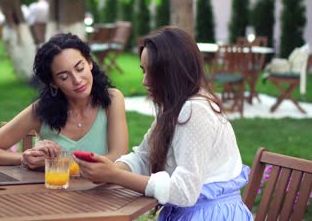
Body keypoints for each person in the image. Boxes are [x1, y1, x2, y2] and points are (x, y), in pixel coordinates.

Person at [76, 26, 253, 220]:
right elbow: (143, 156)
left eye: (153, 73)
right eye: (143, 71)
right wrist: (107, 169)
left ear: (174, 71)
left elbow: (184, 192)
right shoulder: (173, 106)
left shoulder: (195, 111)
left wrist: (114, 176)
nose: (144, 81)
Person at [0, 32, 129, 169]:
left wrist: (58, 162)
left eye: (79, 68)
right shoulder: (41, 111)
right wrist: (24, 158)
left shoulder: (112, 100)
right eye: (64, 77)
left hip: (101, 195)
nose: (77, 80)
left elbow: (117, 158)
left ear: (89, 63)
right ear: (53, 83)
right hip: (50, 194)